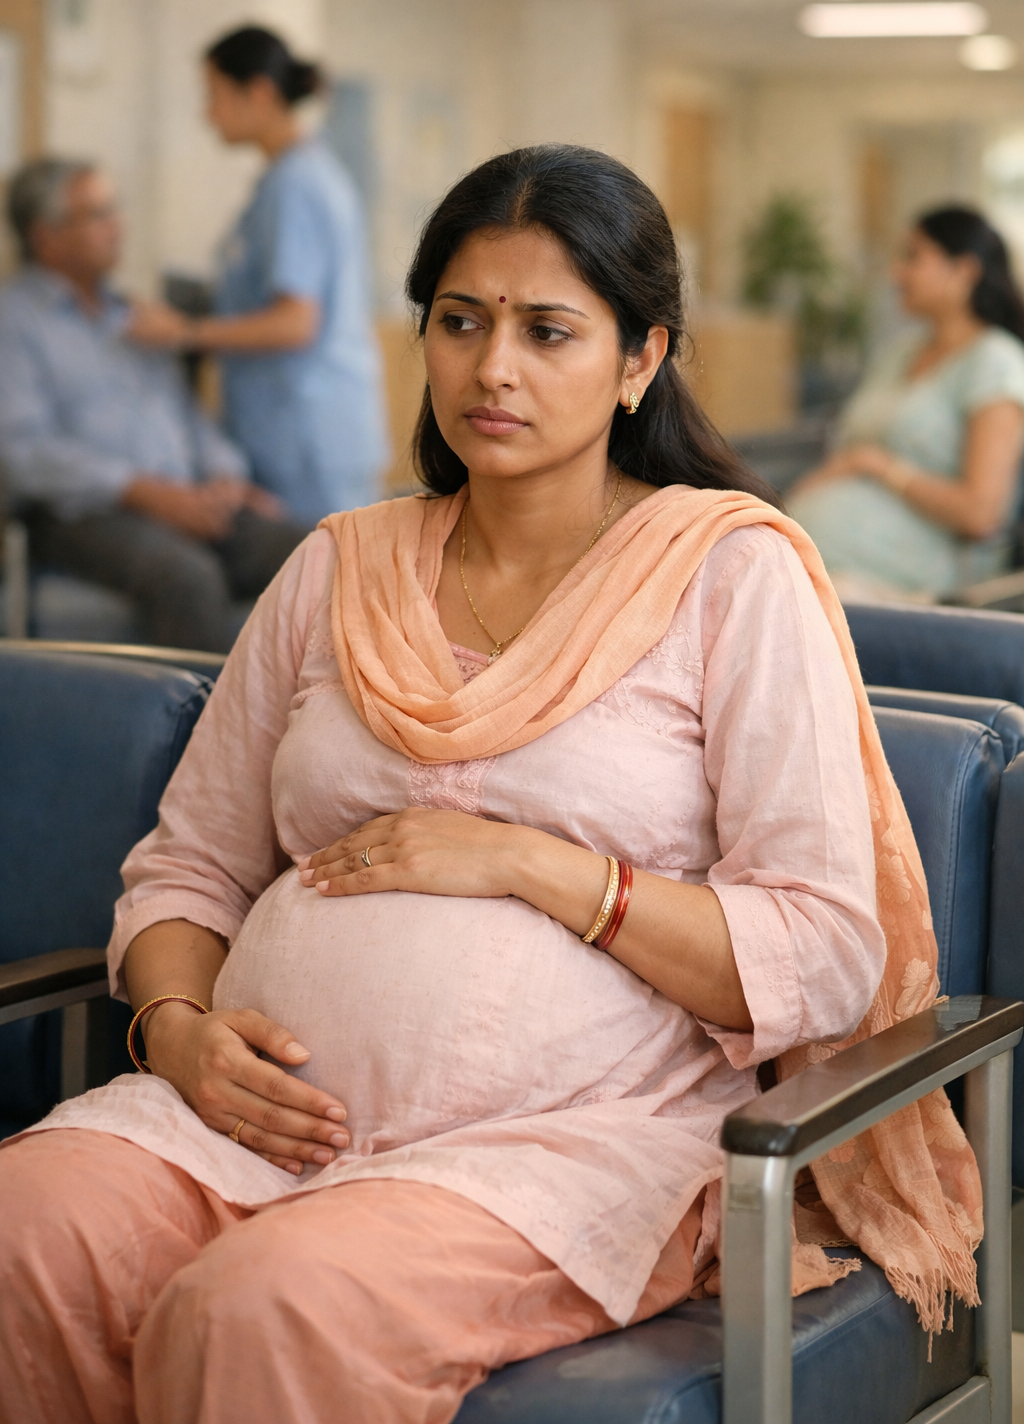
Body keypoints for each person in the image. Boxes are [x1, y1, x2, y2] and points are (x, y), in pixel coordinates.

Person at [0, 146, 981, 1424]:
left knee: (261, 1307)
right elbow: (189, 864)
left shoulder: (727, 579)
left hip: (563, 1139)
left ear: (640, 360)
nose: (493, 368)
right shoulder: (336, 567)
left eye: (547, 330)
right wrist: (179, 1031)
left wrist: (533, 863)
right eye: (459, 323)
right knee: (24, 1228)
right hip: (243, 1118)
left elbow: (825, 947)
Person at [0, 157, 306, 652]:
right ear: (46, 237)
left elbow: (186, 413)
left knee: (313, 549)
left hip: (185, 498)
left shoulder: (134, 315)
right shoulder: (14, 322)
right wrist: (145, 492)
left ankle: (307, 722)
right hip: (86, 514)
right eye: (97, 214)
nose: (116, 225)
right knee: (188, 579)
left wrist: (225, 474)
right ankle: (199, 730)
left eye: (113, 210)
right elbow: (24, 453)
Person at [131, 25, 390, 526]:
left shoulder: (296, 186)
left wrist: (184, 333)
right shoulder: (290, 179)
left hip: (308, 437)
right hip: (297, 428)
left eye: (215, 96)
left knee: (326, 592)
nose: (208, 113)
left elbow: (296, 322)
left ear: (259, 93)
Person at [789, 205, 1024, 601]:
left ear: (964, 271)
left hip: (932, 568)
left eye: (913, 257)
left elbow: (982, 514)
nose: (896, 273)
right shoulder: (902, 352)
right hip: (835, 536)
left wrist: (881, 467)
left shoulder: (994, 363)